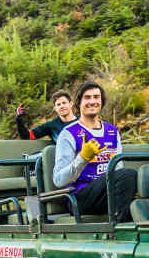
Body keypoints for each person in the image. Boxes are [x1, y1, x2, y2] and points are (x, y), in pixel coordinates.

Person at [52, 81, 137, 222]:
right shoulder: (68, 134)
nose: (92, 101)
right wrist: (82, 158)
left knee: (136, 178)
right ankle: (122, 228)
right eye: (87, 97)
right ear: (78, 102)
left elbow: (118, 170)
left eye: (96, 97)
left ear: (102, 102)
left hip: (107, 191)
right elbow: (58, 180)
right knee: (128, 175)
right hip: (80, 197)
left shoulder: (112, 131)